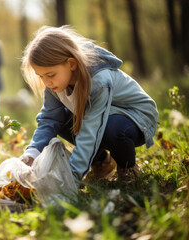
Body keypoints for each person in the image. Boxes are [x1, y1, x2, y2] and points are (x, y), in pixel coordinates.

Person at [20, 26, 159, 183]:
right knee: (61, 121)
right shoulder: (53, 86)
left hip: (137, 118)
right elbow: (48, 120)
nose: (46, 82)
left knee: (112, 129)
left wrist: (71, 177)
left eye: (50, 75)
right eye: (41, 76)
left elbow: (90, 131)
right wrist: (31, 154)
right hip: (102, 117)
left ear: (71, 64)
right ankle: (101, 162)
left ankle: (128, 169)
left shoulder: (99, 82)